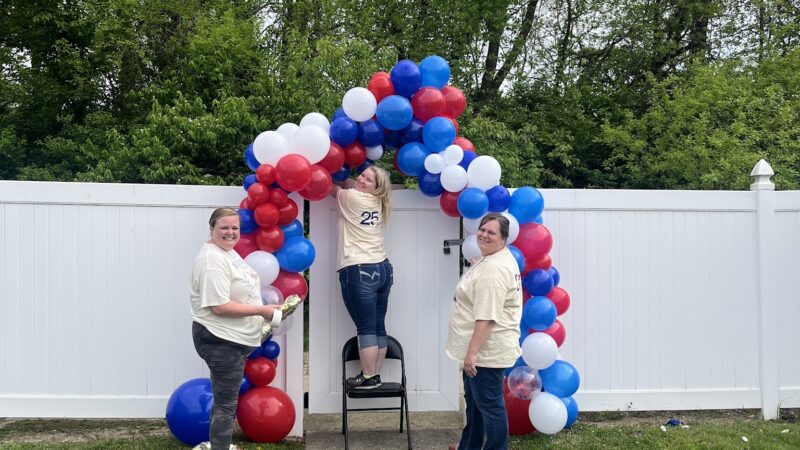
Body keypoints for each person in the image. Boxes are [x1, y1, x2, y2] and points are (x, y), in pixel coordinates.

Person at [189, 207, 281, 450]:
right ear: (211, 229)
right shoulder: (212, 261)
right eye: (224, 227)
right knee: (226, 404)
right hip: (220, 339)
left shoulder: (227, 252)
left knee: (225, 401)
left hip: (233, 338)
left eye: (234, 228)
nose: (230, 232)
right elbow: (218, 307)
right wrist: (262, 311)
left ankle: (218, 445)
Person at [445, 213, 523, 450]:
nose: (484, 235)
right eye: (482, 230)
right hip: (481, 351)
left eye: (492, 232)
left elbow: (487, 317)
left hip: (486, 353)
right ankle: (469, 445)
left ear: (503, 239)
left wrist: (472, 353)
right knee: (475, 404)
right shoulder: (491, 258)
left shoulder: (494, 270)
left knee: (489, 406)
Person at [330, 165, 394, 389]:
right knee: (377, 325)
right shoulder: (378, 201)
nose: (361, 180)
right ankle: (374, 374)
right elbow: (351, 184)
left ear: (376, 188)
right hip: (382, 268)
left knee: (366, 328)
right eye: (362, 175)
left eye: (368, 180)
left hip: (359, 268)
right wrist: (356, 182)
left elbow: (331, 187)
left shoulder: (353, 199)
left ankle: (368, 376)